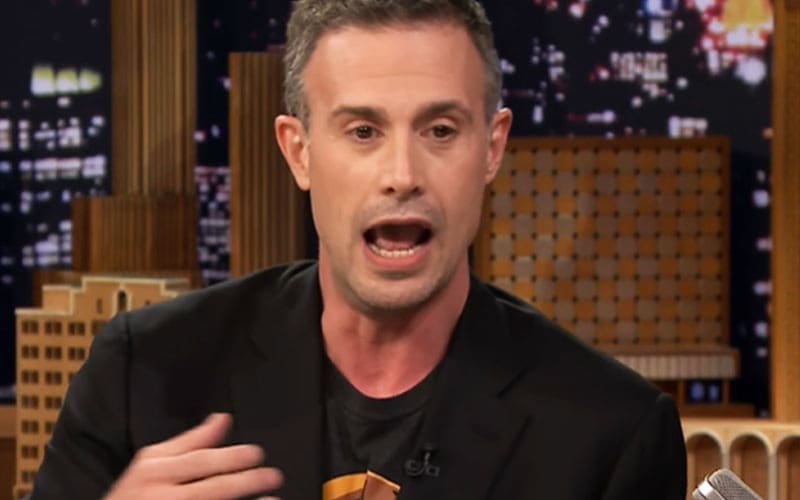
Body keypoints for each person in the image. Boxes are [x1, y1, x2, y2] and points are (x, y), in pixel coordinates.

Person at [30, 1, 687, 498]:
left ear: (491, 148)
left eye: (440, 130)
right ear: (299, 151)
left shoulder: (609, 435)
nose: (402, 174)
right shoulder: (143, 374)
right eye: (364, 131)